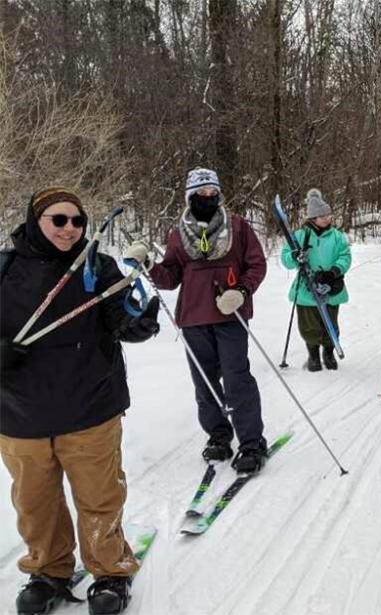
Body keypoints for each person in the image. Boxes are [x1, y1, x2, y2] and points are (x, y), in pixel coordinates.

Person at [0, 188, 160, 615]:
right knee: (35, 503)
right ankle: (49, 570)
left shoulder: (95, 266)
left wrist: (137, 321)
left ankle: (110, 570)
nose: (69, 229)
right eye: (59, 220)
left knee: (99, 497)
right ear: (36, 221)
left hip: (89, 406)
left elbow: (119, 316)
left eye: (77, 221)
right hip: (20, 413)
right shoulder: (4, 268)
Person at [127, 168, 269, 474]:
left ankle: (251, 442)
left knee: (236, 378)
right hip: (193, 317)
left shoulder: (238, 227)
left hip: (230, 314)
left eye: (212, 193)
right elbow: (170, 277)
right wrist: (149, 263)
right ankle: (218, 436)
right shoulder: (178, 234)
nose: (207, 198)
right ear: (190, 197)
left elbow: (256, 264)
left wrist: (242, 291)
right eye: (200, 194)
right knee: (204, 382)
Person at [280, 188, 351, 371]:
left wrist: (333, 272)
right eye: (324, 216)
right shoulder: (300, 235)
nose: (328, 218)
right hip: (306, 287)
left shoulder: (336, 236)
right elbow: (286, 258)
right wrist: (296, 257)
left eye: (329, 214)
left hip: (331, 286)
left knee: (331, 321)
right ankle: (313, 356)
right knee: (309, 325)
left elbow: (345, 256)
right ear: (314, 218)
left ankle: (329, 353)